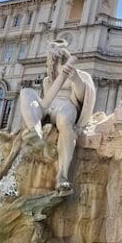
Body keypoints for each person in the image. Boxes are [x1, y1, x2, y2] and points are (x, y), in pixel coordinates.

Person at [19, 39, 96, 191]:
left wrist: (76, 79)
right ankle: (35, 132)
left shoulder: (80, 75)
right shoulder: (48, 80)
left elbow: (83, 97)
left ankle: (63, 174)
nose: (51, 65)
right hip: (49, 108)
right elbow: (46, 100)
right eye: (50, 63)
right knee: (26, 92)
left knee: (64, 119)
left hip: (67, 105)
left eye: (53, 61)